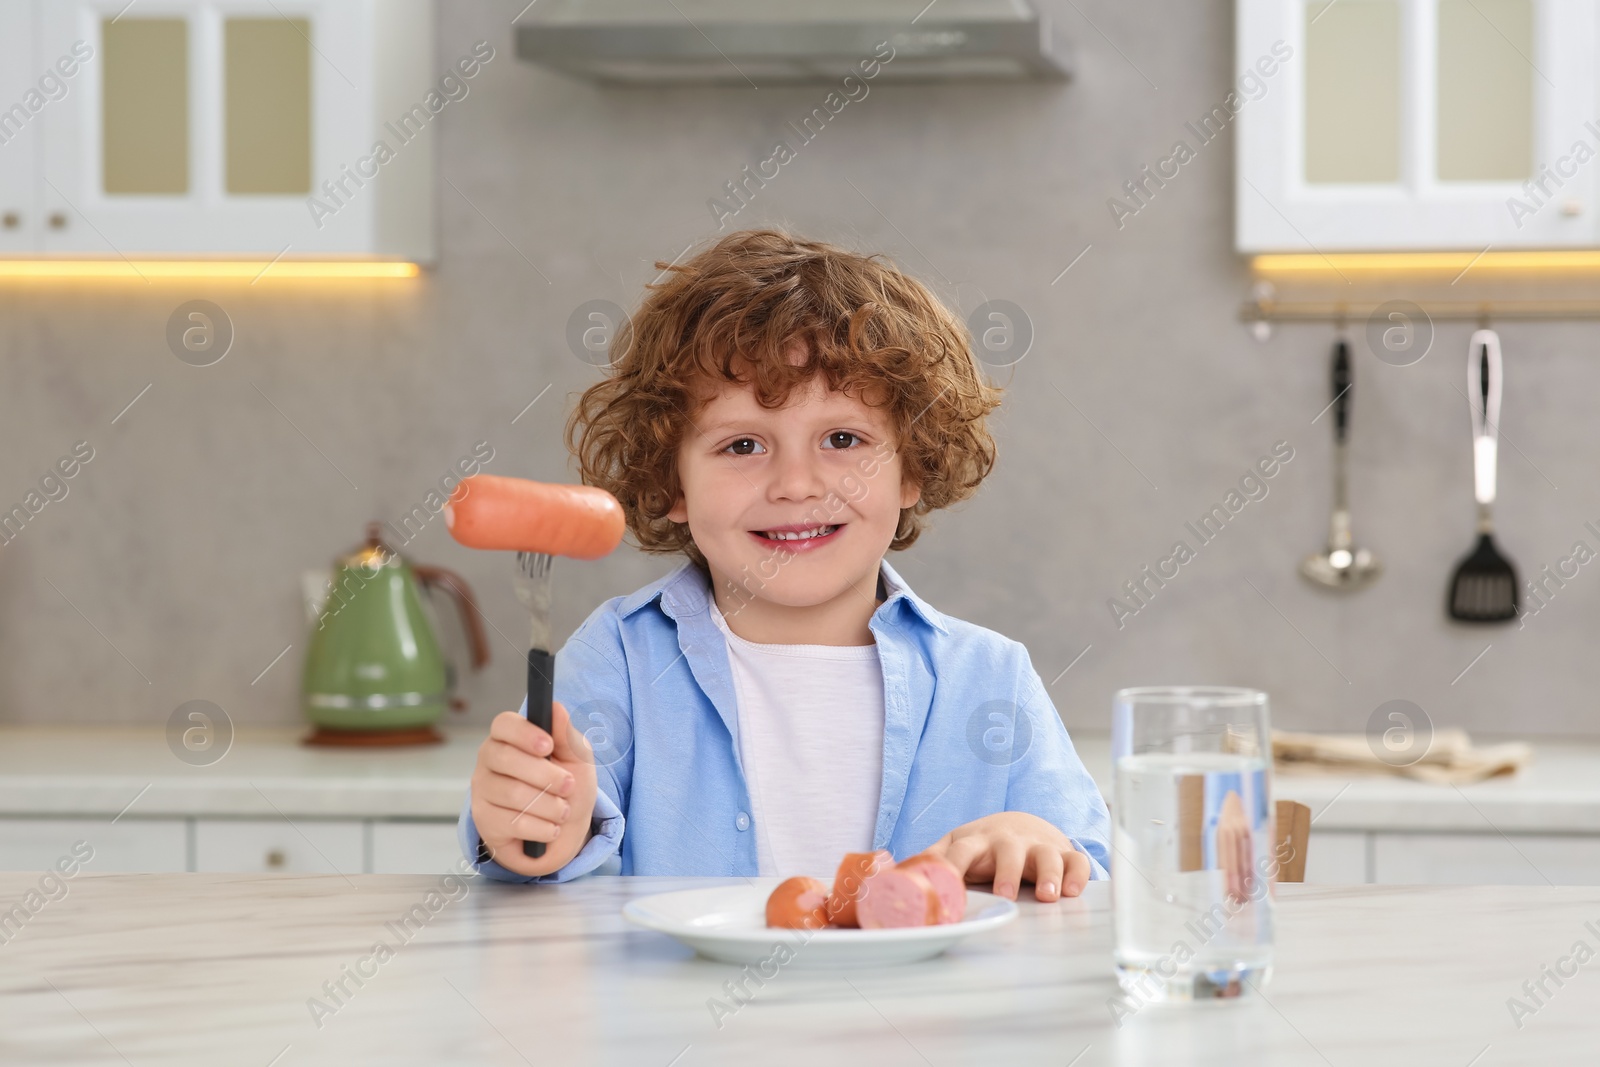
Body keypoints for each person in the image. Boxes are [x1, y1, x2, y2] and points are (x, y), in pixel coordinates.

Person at [458, 229, 1110, 902]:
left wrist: (1036, 842)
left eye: (842, 439)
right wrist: (529, 828)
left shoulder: (991, 679)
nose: (796, 484)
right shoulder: (620, 658)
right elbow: (530, 851)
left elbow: (1085, 875)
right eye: (742, 444)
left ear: (911, 465)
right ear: (672, 481)